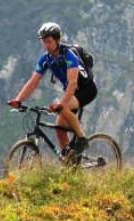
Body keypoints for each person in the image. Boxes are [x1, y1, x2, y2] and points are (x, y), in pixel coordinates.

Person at [7, 22, 97, 158]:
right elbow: (33, 82)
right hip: (71, 93)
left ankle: (82, 139)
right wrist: (18, 100)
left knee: (63, 107)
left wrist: (61, 103)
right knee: (60, 129)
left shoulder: (69, 56)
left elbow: (73, 83)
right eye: (44, 42)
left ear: (57, 40)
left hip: (86, 90)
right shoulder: (45, 59)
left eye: (49, 41)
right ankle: (70, 163)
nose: (46, 45)